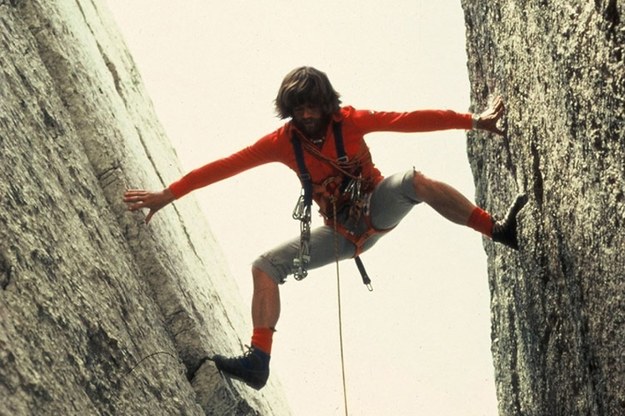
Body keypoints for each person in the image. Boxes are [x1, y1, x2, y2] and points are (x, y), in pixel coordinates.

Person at [123, 66, 527, 390]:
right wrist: (167, 194)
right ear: (290, 111)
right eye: (299, 110)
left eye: (313, 107)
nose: (308, 116)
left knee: (414, 182)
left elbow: (409, 120)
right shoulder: (283, 142)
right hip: (341, 234)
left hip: (376, 208)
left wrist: (475, 121)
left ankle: (498, 230)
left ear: (326, 104)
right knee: (264, 266)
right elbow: (225, 166)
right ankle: (258, 361)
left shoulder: (348, 123)